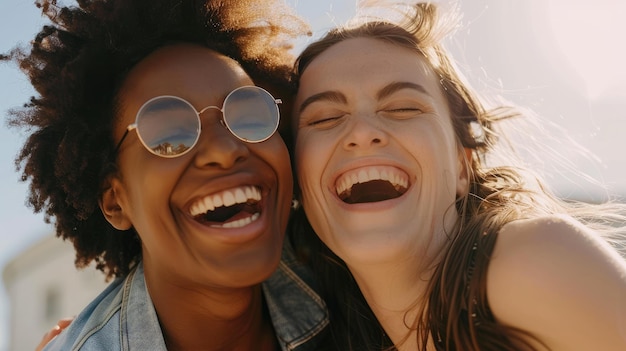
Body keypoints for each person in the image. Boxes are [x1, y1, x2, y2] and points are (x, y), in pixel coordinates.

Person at [288, 1, 626, 350]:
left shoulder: (533, 261)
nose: (361, 131)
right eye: (324, 118)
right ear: (297, 178)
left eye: (403, 108)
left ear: (462, 166)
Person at [3, 0, 329, 350]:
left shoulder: (350, 278)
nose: (226, 149)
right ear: (116, 202)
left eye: (248, 114)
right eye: (170, 134)